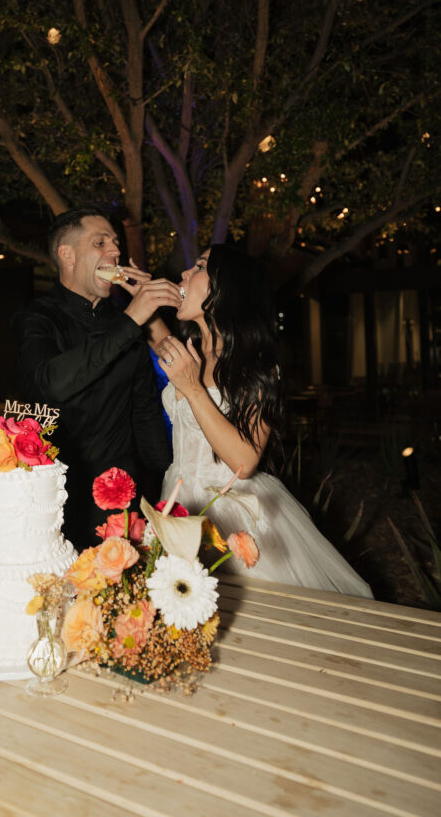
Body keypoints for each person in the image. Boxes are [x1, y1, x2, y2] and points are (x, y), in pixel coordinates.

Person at [157, 244, 373, 597]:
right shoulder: (193, 352)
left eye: (198, 267)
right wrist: (141, 299)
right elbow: (161, 343)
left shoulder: (254, 364)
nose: (184, 273)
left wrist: (193, 389)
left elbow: (244, 461)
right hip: (178, 501)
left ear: (225, 289)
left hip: (232, 510)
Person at [12, 207, 181, 550]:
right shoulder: (36, 318)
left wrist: (171, 483)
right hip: (51, 497)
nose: (115, 252)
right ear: (67, 254)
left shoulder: (125, 323)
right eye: (100, 243)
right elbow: (53, 382)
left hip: (118, 495)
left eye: (115, 244)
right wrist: (132, 317)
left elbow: (144, 410)